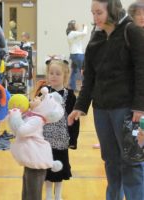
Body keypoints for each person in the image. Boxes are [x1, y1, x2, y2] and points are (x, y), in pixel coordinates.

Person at [68, 1, 144, 199]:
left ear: (112, 9)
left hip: (127, 109)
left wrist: (140, 106)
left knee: (131, 161)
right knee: (110, 161)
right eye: (93, 13)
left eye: (99, 12)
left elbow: (142, 71)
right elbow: (90, 77)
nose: (95, 18)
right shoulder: (96, 36)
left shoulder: (132, 31)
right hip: (101, 110)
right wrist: (80, 106)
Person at [36, 57, 79, 200]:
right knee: (47, 167)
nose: (54, 76)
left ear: (65, 76)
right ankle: (48, 194)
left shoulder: (70, 95)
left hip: (61, 139)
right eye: (51, 73)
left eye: (58, 73)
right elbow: (36, 114)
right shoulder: (43, 93)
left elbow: (74, 120)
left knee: (60, 167)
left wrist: (73, 140)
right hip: (44, 138)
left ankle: (58, 195)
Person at [128, 1, 144, 148]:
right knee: (138, 135)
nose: (142, 17)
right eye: (138, 14)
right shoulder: (131, 33)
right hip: (136, 91)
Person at [66, 20, 87, 92]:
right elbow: (84, 33)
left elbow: (80, 37)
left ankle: (73, 87)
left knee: (74, 71)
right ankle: (85, 87)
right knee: (85, 70)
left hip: (73, 55)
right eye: (76, 24)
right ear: (72, 26)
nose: (78, 25)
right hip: (78, 55)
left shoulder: (71, 34)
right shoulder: (73, 33)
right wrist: (85, 27)